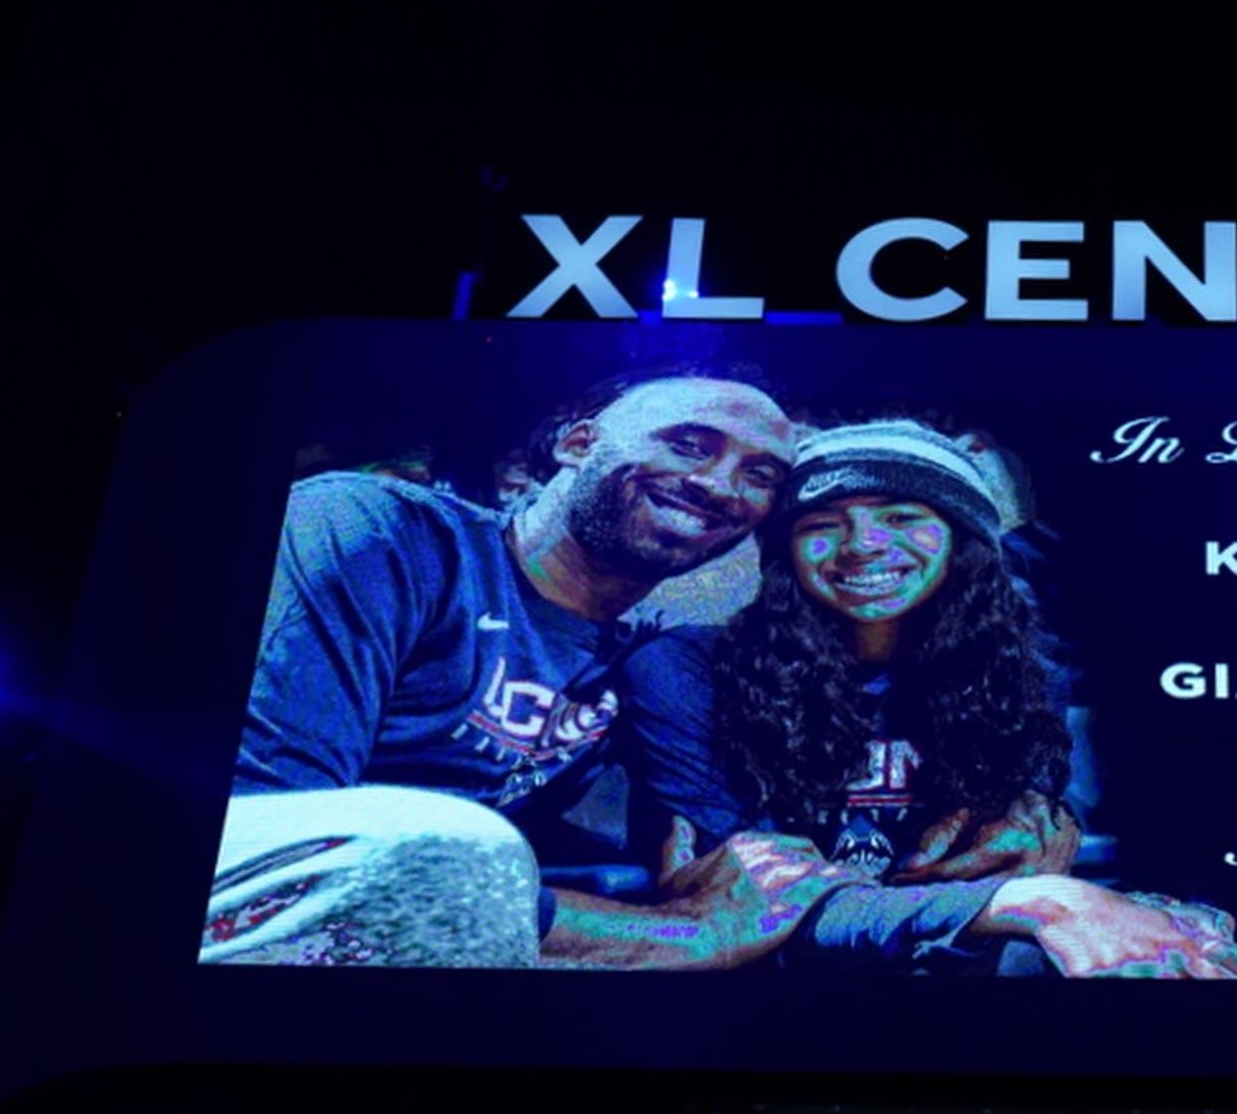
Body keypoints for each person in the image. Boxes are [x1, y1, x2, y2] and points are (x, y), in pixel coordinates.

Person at [206, 369, 858, 968]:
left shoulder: (635, 661)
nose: (719, 485)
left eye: (761, 475)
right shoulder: (378, 532)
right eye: (689, 444)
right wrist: (686, 935)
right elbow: (271, 836)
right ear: (578, 443)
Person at [622, 419, 1237, 978]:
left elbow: (1004, 866)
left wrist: (1131, 921)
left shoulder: (1020, 674)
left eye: (902, 517)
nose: (862, 544)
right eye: (822, 523)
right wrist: (1039, 903)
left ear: (964, 543)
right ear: (784, 551)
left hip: (957, 980)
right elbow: (744, 910)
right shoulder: (683, 668)